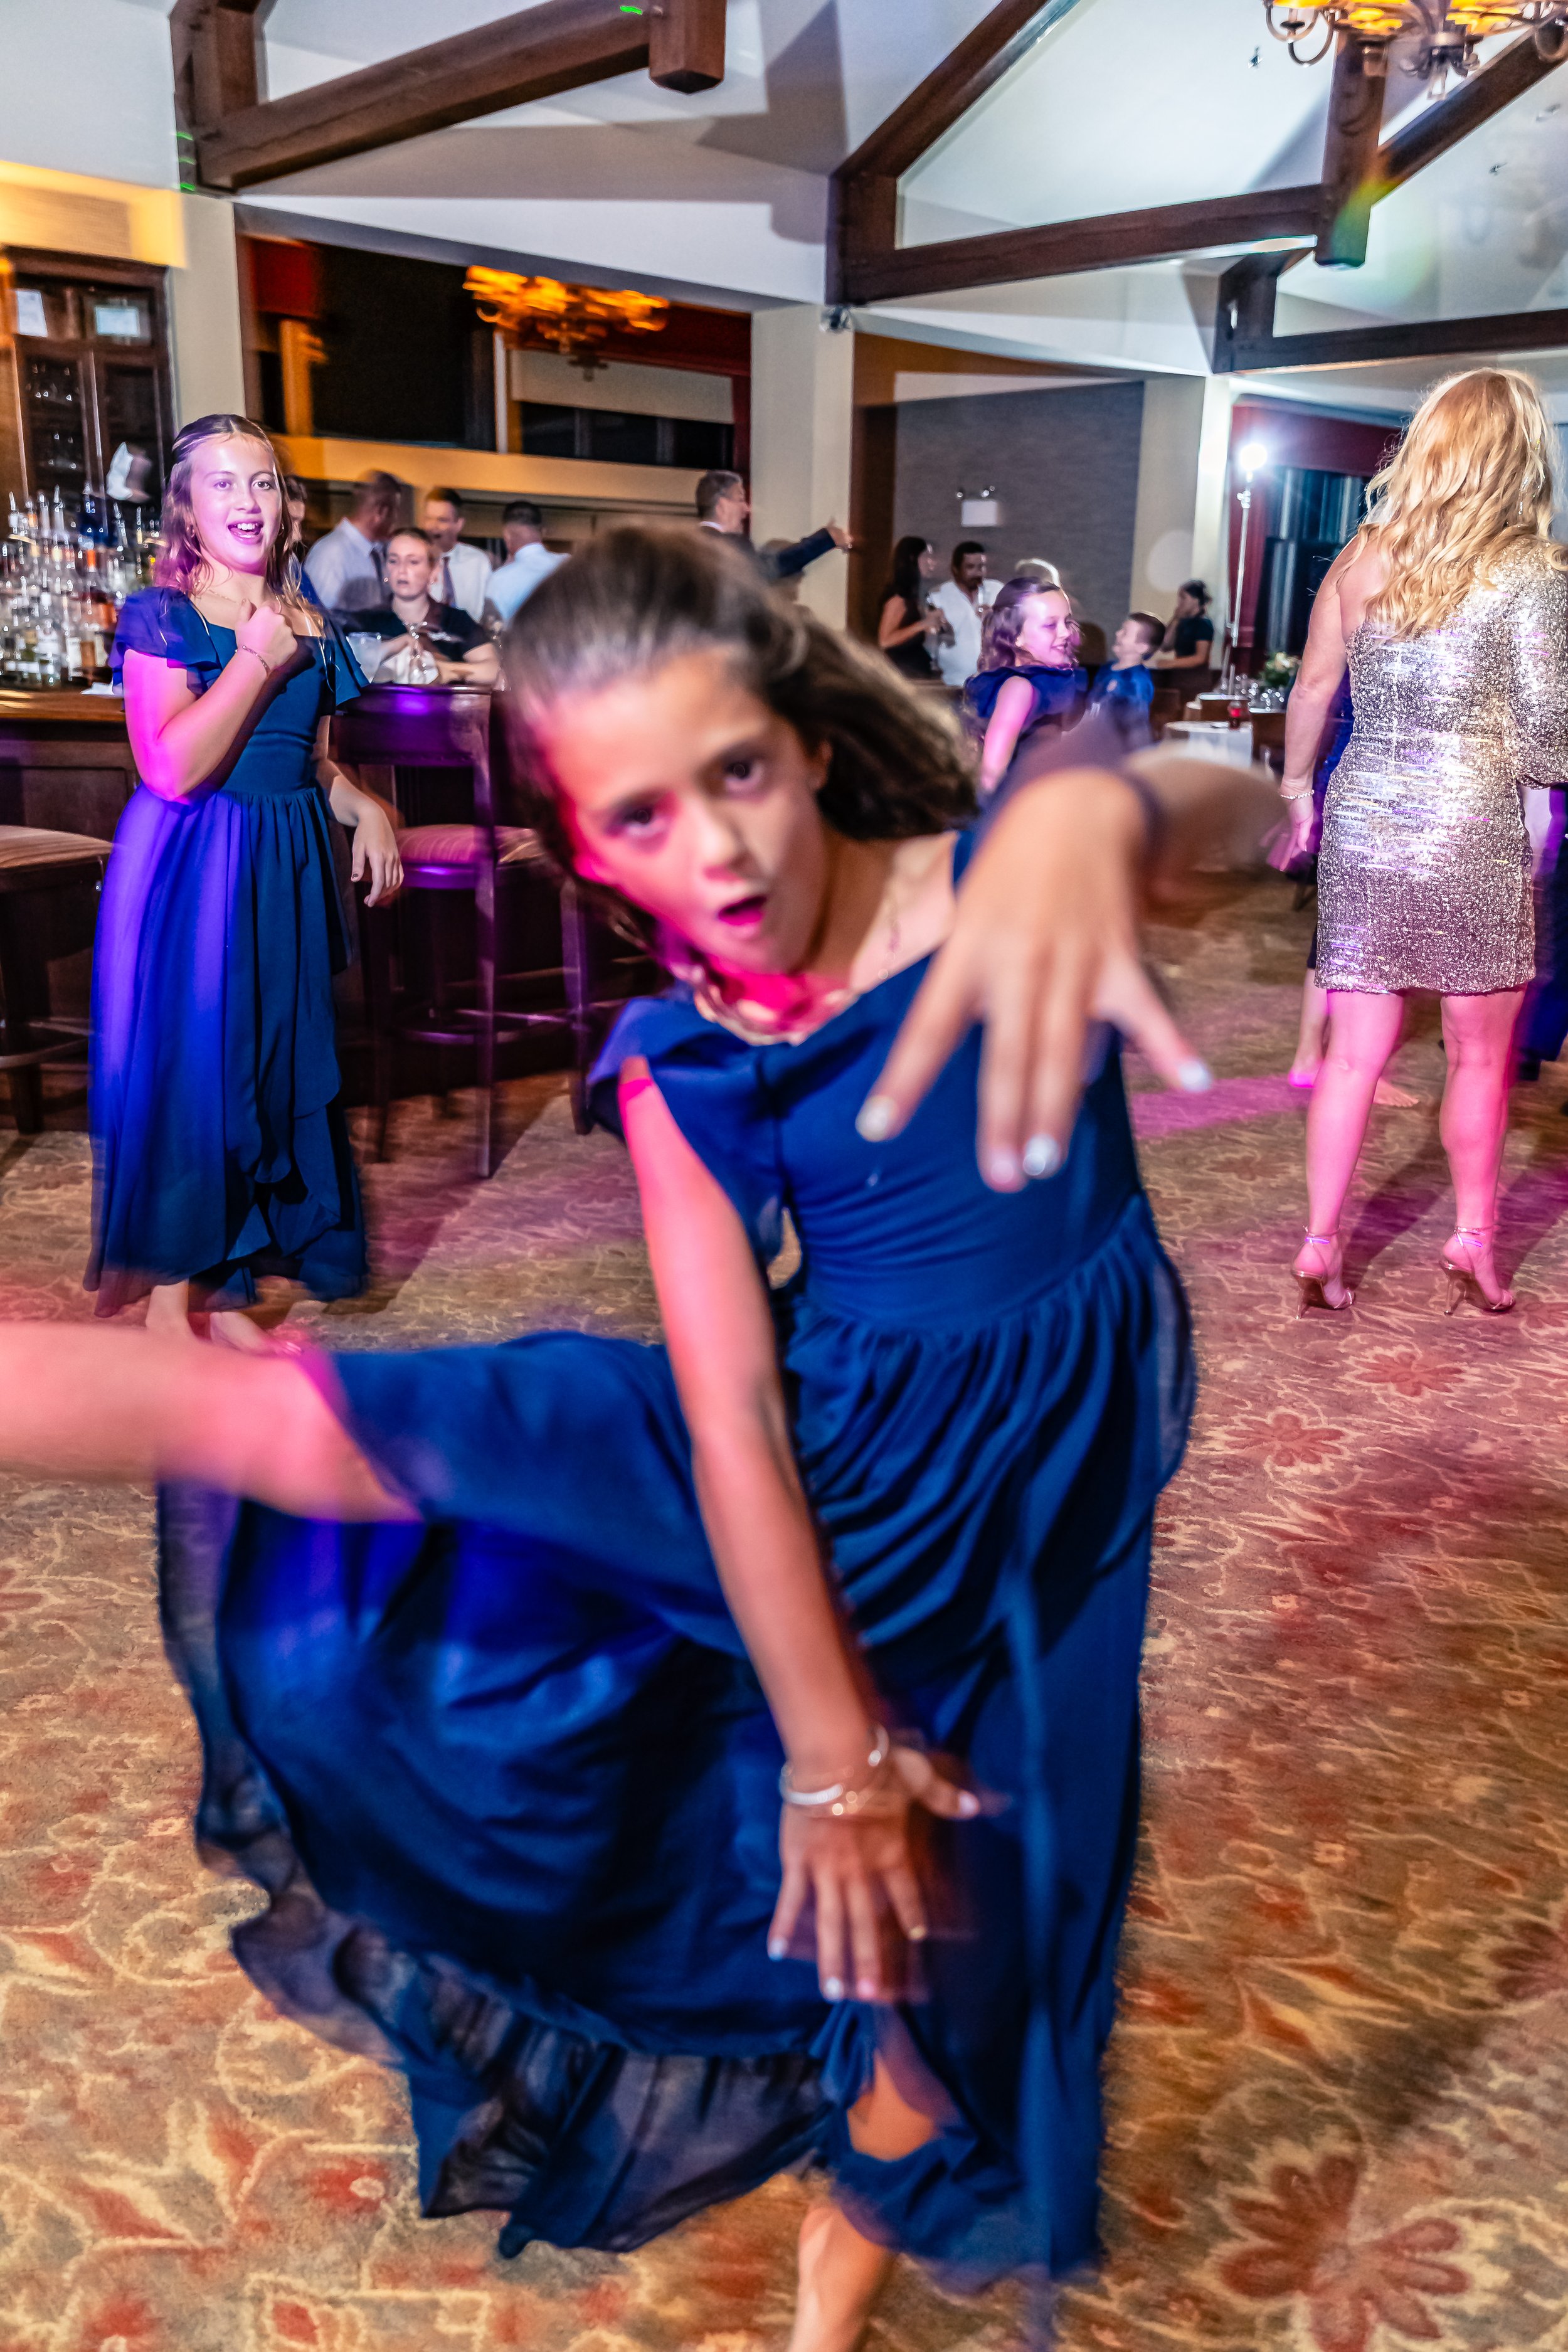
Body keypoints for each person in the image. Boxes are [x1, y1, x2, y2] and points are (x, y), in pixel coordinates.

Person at [0, 526, 1246, 2351]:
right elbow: (734, 1405)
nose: (716, 848)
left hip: (1039, 1519)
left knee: (981, 1942)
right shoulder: (692, 1051)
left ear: (806, 735)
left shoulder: (995, 873)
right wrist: (826, 1748)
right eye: (641, 815)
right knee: (309, 1423)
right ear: (584, 850)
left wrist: (1094, 810)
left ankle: (847, 2241)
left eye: (734, 771)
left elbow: (1251, 800)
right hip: (827, 1471)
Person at [87, 413, 402, 1343]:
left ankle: (227, 1289)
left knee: (266, 1070)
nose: (247, 502)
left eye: (262, 482)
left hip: (284, 865)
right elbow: (171, 767)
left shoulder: (311, 616)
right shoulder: (164, 614)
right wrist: (259, 659)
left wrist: (367, 805)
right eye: (222, 484)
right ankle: (167, 1308)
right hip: (195, 867)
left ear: (287, 501)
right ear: (186, 505)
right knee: (197, 1073)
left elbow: (307, 760)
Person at [1281, 367, 1568, 1316]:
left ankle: (1320, 1242)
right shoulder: (1534, 570)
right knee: (1477, 1054)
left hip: (1367, 807)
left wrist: (1295, 793)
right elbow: (1543, 735)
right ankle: (1473, 1238)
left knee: (1356, 1052)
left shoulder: (1364, 553)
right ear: (1522, 454)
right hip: (1475, 818)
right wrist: (1537, 841)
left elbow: (1315, 690)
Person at [967, 576, 1087, 800]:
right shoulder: (1018, 688)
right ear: (1015, 637)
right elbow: (989, 778)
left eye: (1067, 622)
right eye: (1051, 625)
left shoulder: (1049, 681)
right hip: (1019, 811)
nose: (1065, 633)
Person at [352, 526, 501, 687]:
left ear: (434, 570)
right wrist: (393, 647)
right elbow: (346, 670)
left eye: (413, 562)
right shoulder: (367, 622)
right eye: (394, 561)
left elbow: (492, 670)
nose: (402, 571)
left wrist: (442, 669)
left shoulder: (455, 622)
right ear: (386, 569)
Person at [696, 467, 854, 583]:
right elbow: (770, 568)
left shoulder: (689, 545)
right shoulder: (729, 547)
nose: (747, 508)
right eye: (740, 499)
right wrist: (826, 539)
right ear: (722, 506)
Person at [303, 470, 403, 619]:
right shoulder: (332, 554)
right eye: (396, 511)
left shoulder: (379, 551)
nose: (396, 520)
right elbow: (318, 619)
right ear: (382, 511)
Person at [930, 542, 1001, 694]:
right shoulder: (938, 596)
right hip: (954, 683)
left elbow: (1018, 628)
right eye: (970, 567)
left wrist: (996, 617)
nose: (978, 573)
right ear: (955, 569)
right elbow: (931, 641)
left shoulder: (998, 591)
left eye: (981, 567)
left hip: (994, 682)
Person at [485, 499, 568, 625]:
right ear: (543, 531)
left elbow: (493, 630)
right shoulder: (569, 563)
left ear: (506, 536)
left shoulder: (500, 580)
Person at [1086, 611, 1163, 743]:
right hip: (1094, 741)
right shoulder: (1106, 669)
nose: (1118, 634)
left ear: (1141, 647)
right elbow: (1092, 708)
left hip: (1117, 748)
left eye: (1125, 632)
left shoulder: (1137, 682)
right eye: (1121, 629)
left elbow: (1135, 726)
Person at [875, 534, 944, 682]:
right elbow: (885, 641)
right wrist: (922, 625)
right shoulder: (899, 599)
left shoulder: (918, 596)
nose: (932, 563)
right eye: (927, 557)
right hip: (902, 674)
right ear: (913, 559)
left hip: (917, 671)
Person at [421, 485, 494, 622]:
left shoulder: (478, 562)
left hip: (469, 638)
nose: (433, 527)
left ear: (458, 525)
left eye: (442, 520)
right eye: (428, 519)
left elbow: (490, 611)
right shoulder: (415, 561)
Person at [1150, 580, 1214, 685]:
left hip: (1195, 680)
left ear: (1196, 600)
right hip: (1179, 676)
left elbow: (1200, 658)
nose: (1179, 602)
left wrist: (1169, 663)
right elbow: (1165, 646)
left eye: (1184, 598)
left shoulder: (1203, 624)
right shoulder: (1183, 622)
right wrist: (1176, 619)